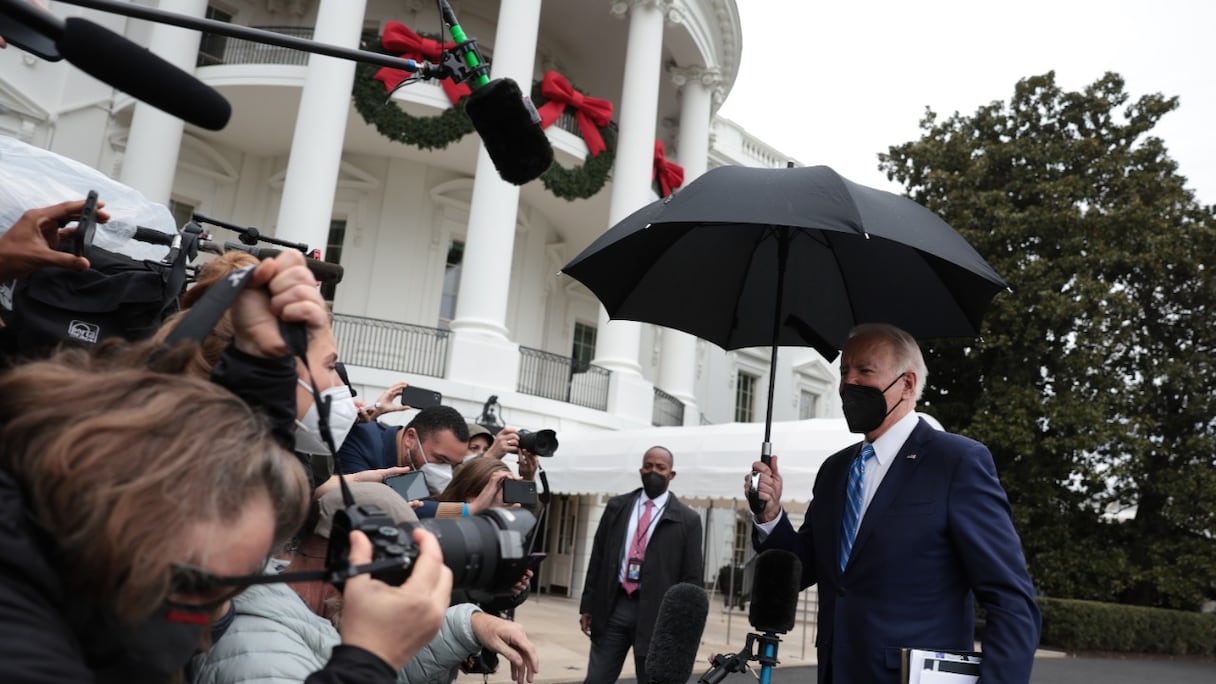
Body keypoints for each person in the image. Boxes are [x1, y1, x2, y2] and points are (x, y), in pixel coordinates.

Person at [747, 323, 1041, 684]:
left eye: (865, 370)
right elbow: (804, 566)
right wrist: (770, 514)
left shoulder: (956, 462)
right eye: (844, 372)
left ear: (907, 384)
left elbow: (1011, 601)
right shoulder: (835, 470)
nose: (848, 383)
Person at [189, 482, 540, 684]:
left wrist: (471, 624)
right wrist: (373, 656)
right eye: (400, 562)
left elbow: (391, 665)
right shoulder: (260, 652)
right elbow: (368, 663)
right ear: (347, 555)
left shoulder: (315, 612)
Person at [578, 446, 704, 683]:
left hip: (658, 618)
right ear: (641, 469)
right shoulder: (617, 507)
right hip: (614, 608)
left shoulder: (688, 520)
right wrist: (588, 605)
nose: (653, 471)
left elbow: (692, 579)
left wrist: (683, 630)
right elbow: (598, 558)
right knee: (596, 679)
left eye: (660, 467)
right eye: (648, 466)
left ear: (671, 474)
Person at [336, 405, 470, 495]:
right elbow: (371, 500)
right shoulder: (359, 441)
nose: (446, 472)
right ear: (410, 438)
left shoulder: (418, 470)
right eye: (441, 460)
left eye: (453, 466)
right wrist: (465, 511)